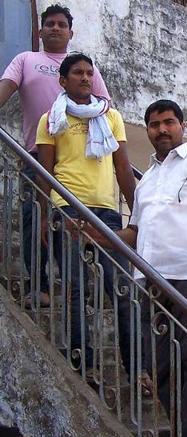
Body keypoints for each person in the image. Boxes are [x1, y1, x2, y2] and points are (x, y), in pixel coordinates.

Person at [86, 99, 187, 437]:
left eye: (168, 122)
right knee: (162, 368)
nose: (161, 130)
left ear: (182, 126)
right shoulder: (147, 178)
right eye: (154, 125)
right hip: (148, 281)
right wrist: (97, 234)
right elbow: (134, 232)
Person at [0, 4, 110, 307]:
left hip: (78, 159)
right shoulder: (26, 59)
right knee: (33, 219)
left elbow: (103, 106)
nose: (55, 28)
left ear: (70, 32)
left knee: (74, 225)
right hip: (37, 154)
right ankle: (41, 285)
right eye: (50, 24)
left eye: (62, 24)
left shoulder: (83, 67)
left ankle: (81, 288)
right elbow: (6, 88)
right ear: (40, 30)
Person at [35, 53, 135, 380]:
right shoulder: (51, 118)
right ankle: (84, 362)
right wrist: (41, 215)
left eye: (89, 73)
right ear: (62, 80)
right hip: (67, 209)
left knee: (120, 289)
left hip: (108, 213)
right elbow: (44, 171)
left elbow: (122, 167)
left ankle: (136, 369)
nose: (85, 77)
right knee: (76, 289)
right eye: (77, 72)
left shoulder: (111, 117)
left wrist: (139, 213)